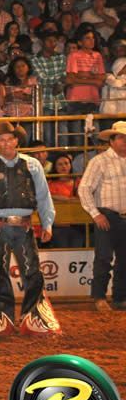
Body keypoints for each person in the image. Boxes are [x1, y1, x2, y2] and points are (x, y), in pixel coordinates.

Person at [0, 122, 61, 335]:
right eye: (2, 140)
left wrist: (47, 223)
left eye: (10, 139)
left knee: (32, 271)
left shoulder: (32, 165)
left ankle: (35, 318)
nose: (6, 143)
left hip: (24, 225)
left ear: (16, 141)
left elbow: (43, 195)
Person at [77, 121, 126, 311]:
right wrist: (96, 214)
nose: (124, 141)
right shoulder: (100, 161)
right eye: (120, 137)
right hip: (107, 215)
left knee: (124, 260)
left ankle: (120, 297)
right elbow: (84, 189)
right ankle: (99, 297)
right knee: (104, 258)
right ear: (111, 141)